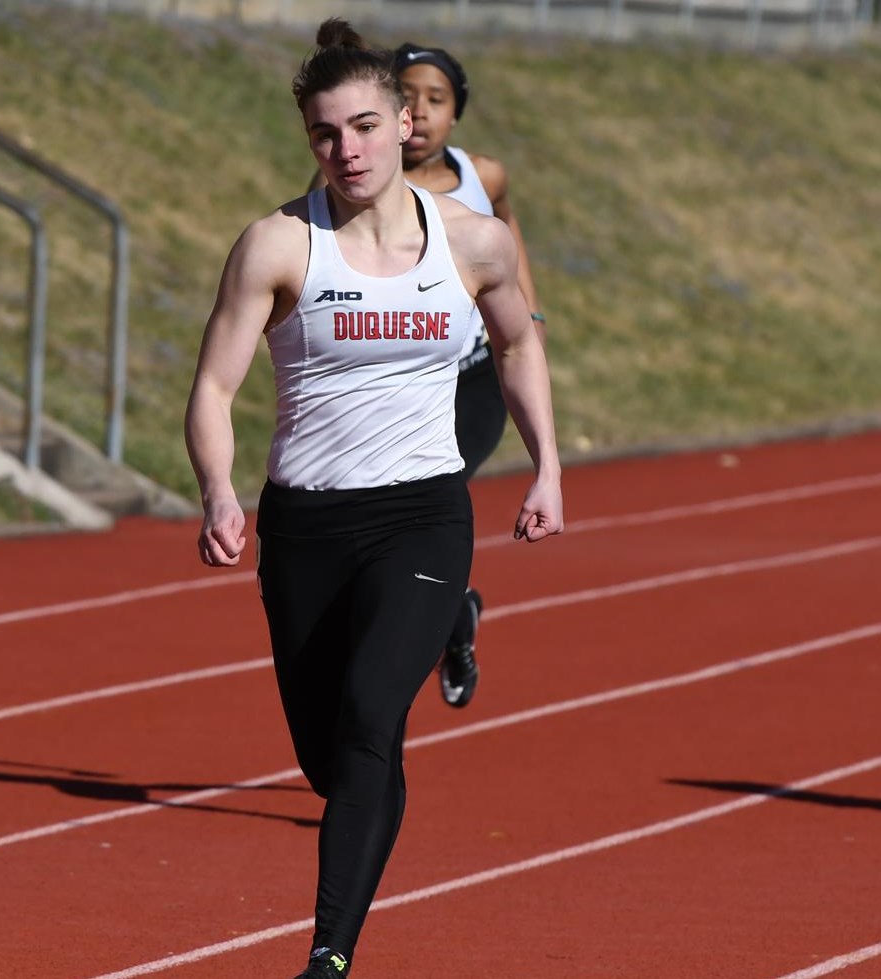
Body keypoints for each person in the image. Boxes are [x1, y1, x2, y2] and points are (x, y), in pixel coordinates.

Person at [185, 19, 562, 979]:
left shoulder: (473, 242)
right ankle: (434, 649)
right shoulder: (277, 245)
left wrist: (545, 465)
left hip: (421, 512)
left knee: (365, 720)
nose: (345, 150)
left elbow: (518, 343)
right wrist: (218, 491)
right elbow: (214, 386)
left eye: (362, 126)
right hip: (305, 520)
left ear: (405, 124)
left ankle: (329, 954)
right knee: (331, 761)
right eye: (324, 133)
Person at [392, 40, 547, 710]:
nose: (418, 112)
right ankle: (456, 621)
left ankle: (441, 628)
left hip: (474, 377)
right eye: (404, 96)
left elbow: (508, 238)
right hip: (398, 382)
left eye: (435, 99)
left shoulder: (486, 175)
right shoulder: (358, 178)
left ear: (456, 114)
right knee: (393, 521)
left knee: (431, 497)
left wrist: (529, 322)